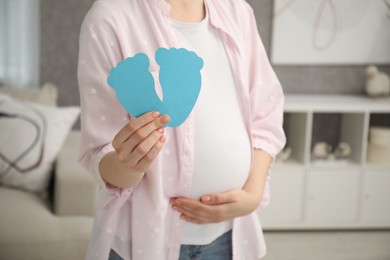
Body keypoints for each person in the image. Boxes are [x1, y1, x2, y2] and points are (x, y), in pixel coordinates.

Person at [77, 0, 286, 259]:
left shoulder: (238, 11)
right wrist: (129, 164)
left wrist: (252, 195)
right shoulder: (110, 18)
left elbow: (266, 113)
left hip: (229, 236)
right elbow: (100, 154)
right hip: (144, 243)